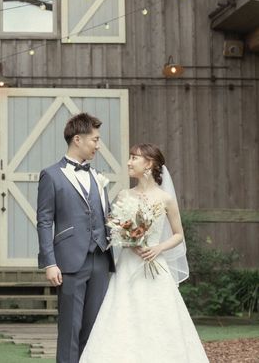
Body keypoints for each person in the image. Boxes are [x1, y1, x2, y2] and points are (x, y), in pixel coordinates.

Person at [79, 143, 209, 363]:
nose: (129, 162)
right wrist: (129, 241)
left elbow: (178, 234)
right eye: (130, 157)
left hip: (155, 267)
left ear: (149, 164)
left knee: (159, 318)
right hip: (128, 265)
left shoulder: (165, 199)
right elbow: (113, 229)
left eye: (134, 158)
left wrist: (158, 247)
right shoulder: (124, 195)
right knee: (122, 315)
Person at [36, 112, 115, 363]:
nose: (98, 146)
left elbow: (106, 216)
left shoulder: (97, 176)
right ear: (78, 139)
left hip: (100, 259)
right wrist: (50, 263)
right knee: (70, 328)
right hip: (69, 262)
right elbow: (44, 221)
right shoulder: (51, 175)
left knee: (94, 329)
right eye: (95, 140)